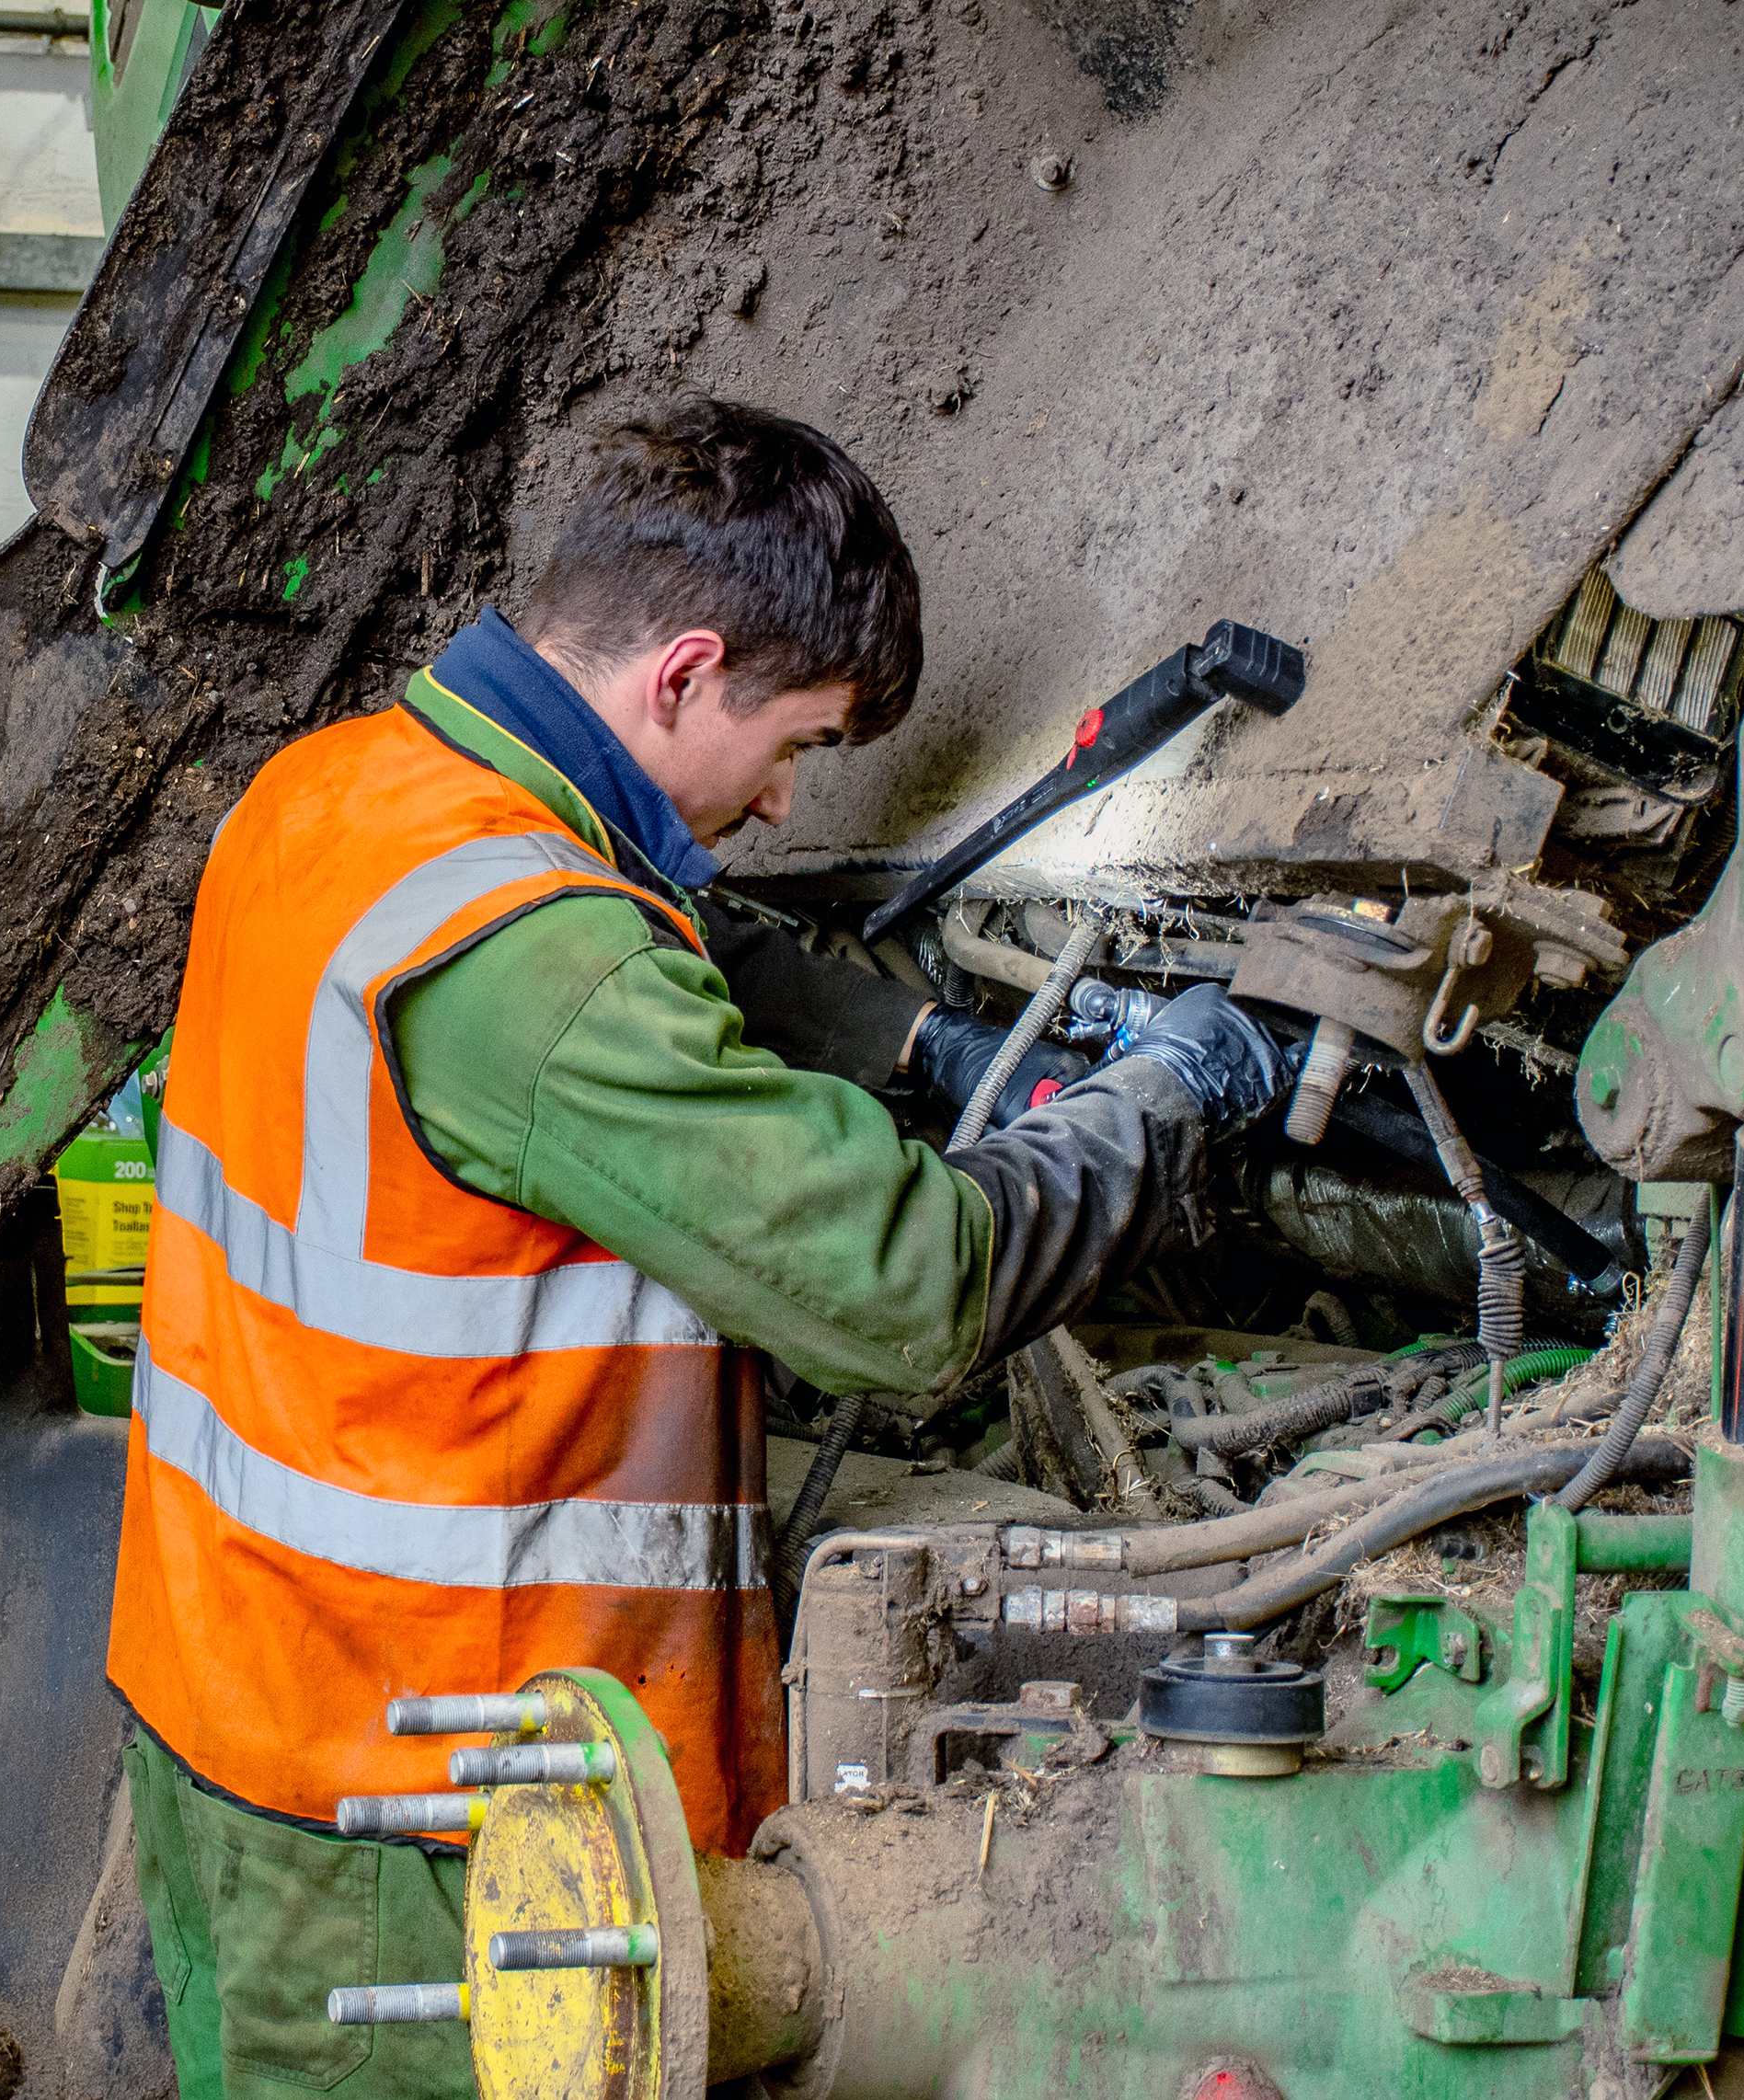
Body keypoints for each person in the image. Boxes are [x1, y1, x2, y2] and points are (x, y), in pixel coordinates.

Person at [105, 398, 1291, 2098]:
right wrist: (1164, 1097)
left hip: (236, 1681)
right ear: (681, 672)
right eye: (794, 740)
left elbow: (657, 937)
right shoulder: (536, 958)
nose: (788, 795)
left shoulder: (343, 794)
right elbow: (910, 1281)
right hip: (426, 1805)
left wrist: (927, 1047)